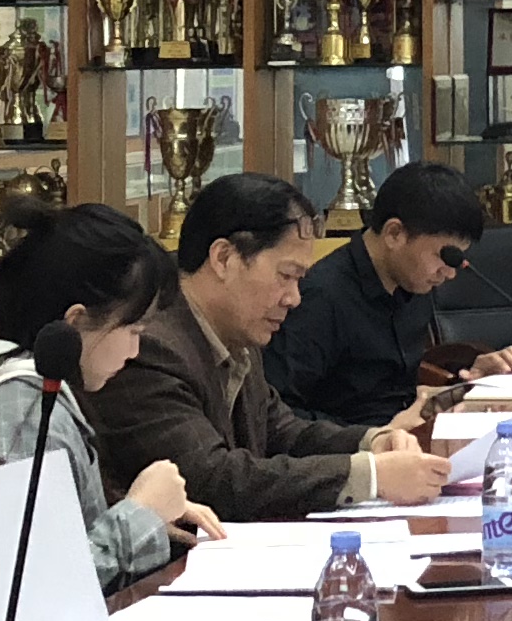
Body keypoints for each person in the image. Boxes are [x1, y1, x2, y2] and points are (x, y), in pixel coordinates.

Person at [0, 201, 223, 621]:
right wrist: (139, 516)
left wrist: (152, 519)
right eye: (133, 330)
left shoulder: (10, 382)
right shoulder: (23, 417)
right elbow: (27, 598)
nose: (135, 351)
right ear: (75, 322)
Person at [95, 175, 448, 521]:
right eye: (286, 276)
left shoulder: (239, 332)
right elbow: (211, 479)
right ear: (223, 258)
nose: (294, 298)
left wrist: (373, 441)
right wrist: (371, 475)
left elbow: (281, 430)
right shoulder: (147, 346)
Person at [264, 160, 512, 426]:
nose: (449, 273)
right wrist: (374, 436)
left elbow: (400, 393)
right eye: (443, 256)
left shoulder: (413, 283)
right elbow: (280, 417)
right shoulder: (320, 297)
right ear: (394, 234)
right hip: (353, 446)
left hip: (408, 436)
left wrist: (467, 384)